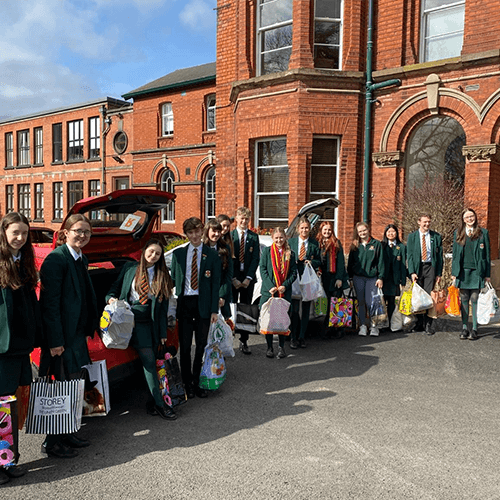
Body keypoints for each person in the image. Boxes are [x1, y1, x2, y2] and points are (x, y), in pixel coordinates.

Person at [39, 214, 98, 458]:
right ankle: (52, 443)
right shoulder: (56, 260)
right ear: (65, 233)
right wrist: (55, 342)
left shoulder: (80, 258)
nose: (82, 235)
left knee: (73, 387)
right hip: (62, 339)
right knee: (60, 390)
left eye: (86, 231)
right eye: (78, 230)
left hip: (75, 336)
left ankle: (67, 433)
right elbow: (49, 305)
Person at [106, 239, 177, 420]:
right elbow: (113, 289)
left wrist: (162, 333)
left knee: (154, 363)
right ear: (145, 250)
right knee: (149, 361)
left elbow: (163, 308)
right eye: (151, 251)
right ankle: (161, 405)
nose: (153, 256)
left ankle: (151, 402)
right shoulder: (130, 269)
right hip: (132, 321)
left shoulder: (162, 275)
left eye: (158, 254)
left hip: (152, 321)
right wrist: (110, 299)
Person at [0, 213, 41, 483]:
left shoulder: (24, 263)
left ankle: (9, 458)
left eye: (24, 233)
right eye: (15, 232)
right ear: (4, 233)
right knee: (1, 407)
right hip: (2, 350)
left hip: (21, 348)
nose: (20, 238)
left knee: (13, 406)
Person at [170, 217, 221, 399]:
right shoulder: (179, 255)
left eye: (197, 231)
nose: (195, 235)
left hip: (203, 304)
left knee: (200, 345)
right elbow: (173, 281)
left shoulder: (212, 255)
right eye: (190, 232)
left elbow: (215, 284)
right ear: (186, 234)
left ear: (202, 231)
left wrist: (214, 310)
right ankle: (187, 383)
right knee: (184, 346)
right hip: (185, 304)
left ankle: (198, 380)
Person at [451, 208, 491, 340]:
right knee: (463, 299)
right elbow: (455, 254)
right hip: (462, 272)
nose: (470, 219)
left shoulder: (483, 233)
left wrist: (487, 274)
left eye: (472, 216)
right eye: (467, 217)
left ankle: (474, 328)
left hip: (477, 271)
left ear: (475, 217)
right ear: (463, 219)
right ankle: (464, 327)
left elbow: (487, 255)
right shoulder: (458, 233)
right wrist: (453, 273)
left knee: (474, 299)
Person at [259, 227, 297, 359]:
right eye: (277, 238)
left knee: (282, 320)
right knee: (268, 320)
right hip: (269, 292)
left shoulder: (290, 253)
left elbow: (293, 272)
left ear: (285, 237)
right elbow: (262, 269)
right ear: (272, 238)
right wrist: (270, 286)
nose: (279, 240)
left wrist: (285, 286)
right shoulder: (267, 252)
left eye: (281, 237)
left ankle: (281, 347)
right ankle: (269, 347)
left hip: (283, 292)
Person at [407, 214, 443, 335]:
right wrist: (412, 272)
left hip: (430, 268)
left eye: (429, 222)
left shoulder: (436, 236)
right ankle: (419, 323)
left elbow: (439, 256)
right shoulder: (412, 237)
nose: (427, 224)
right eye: (424, 222)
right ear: (419, 222)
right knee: (418, 297)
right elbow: (410, 255)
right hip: (418, 268)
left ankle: (428, 324)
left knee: (428, 296)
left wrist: (439, 273)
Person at [347, 222, 385, 336]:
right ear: (357, 233)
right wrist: (350, 278)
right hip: (358, 278)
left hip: (371, 278)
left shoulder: (376, 244)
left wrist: (380, 277)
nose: (362, 233)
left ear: (368, 230)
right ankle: (362, 325)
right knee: (361, 302)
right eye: (360, 231)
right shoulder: (355, 245)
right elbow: (350, 263)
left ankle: (374, 326)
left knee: (371, 302)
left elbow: (381, 262)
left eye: (364, 230)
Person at [231, 207, 260, 355]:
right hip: (233, 280)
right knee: (232, 309)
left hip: (248, 280)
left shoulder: (254, 237)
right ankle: (229, 340)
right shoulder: (230, 236)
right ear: (236, 218)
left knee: (246, 310)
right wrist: (234, 279)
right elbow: (228, 260)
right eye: (241, 218)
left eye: (246, 219)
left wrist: (248, 278)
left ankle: (244, 341)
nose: (244, 221)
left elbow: (256, 258)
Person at [289, 217, 321, 348]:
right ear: (298, 229)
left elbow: (320, 260)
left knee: (306, 309)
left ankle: (302, 336)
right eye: (302, 228)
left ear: (310, 229)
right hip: (295, 278)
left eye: (306, 228)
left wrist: (312, 262)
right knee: (294, 310)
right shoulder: (291, 242)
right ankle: (293, 337)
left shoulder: (314, 244)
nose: (304, 230)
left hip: (308, 279)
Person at [316, 221, 348, 337]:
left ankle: (337, 328)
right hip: (323, 277)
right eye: (325, 229)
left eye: (329, 230)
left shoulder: (336, 242)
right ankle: (326, 326)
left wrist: (339, 278)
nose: (327, 232)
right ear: (321, 230)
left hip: (334, 278)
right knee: (325, 302)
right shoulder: (317, 243)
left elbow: (340, 263)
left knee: (335, 303)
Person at [203, 219, 233, 320]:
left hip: (221, 293)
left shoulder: (225, 248)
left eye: (219, 232)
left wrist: (222, 295)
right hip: (205, 294)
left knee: (224, 329)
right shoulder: (201, 248)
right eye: (214, 231)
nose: (216, 234)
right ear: (207, 231)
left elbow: (228, 274)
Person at [382, 224, 407, 325]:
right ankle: (383, 322)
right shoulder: (382, 245)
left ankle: (392, 323)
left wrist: (403, 280)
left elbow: (403, 264)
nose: (391, 234)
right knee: (383, 301)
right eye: (389, 232)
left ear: (396, 233)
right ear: (385, 233)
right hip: (384, 278)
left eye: (393, 231)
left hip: (394, 279)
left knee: (392, 301)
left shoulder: (401, 247)